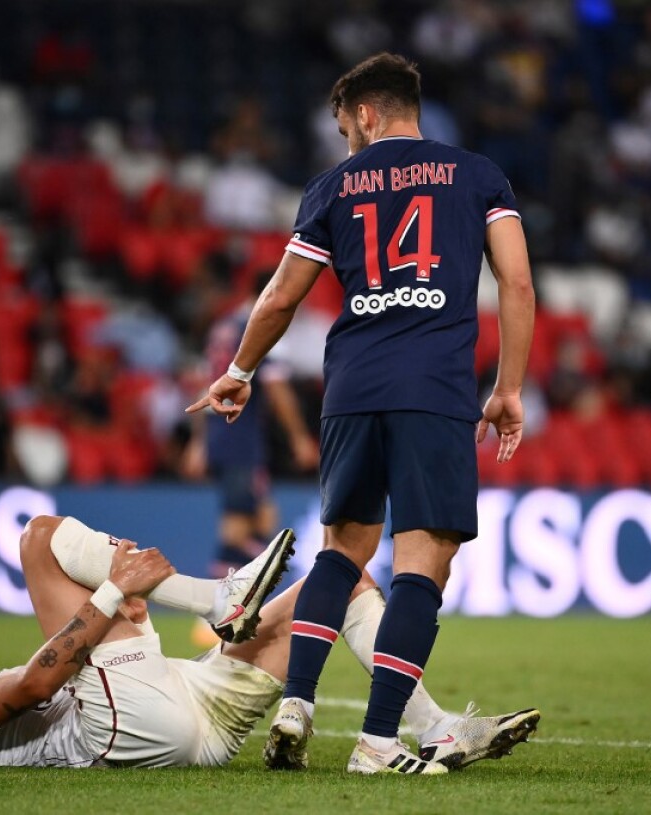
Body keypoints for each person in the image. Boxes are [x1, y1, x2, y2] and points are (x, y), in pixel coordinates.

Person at [187, 53, 535, 775]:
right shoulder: (478, 175)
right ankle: (378, 742)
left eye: (346, 126)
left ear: (368, 115)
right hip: (433, 388)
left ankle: (299, 702)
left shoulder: (332, 186)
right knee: (422, 563)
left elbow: (281, 295)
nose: (347, 140)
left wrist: (239, 369)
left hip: (350, 387)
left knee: (342, 550)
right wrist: (507, 388)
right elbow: (518, 282)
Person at [0, 515, 539, 770]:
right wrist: (109, 593)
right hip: (129, 731)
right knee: (39, 538)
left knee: (343, 580)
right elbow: (37, 685)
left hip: (190, 709)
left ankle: (434, 727)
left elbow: (56, 669)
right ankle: (212, 596)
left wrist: (115, 599)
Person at [182, 270, 319, 647]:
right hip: (241, 438)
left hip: (223, 436)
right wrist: (299, 437)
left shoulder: (223, 328)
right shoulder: (260, 327)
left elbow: (205, 381)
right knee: (238, 529)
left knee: (260, 520)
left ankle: (237, 606)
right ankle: (212, 614)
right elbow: (276, 390)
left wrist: (199, 441)